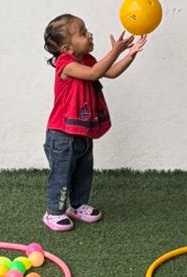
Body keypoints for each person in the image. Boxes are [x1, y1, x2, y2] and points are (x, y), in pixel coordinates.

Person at [41, 13, 146, 232]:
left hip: (82, 130)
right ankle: (54, 212)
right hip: (61, 134)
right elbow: (93, 74)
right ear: (67, 49)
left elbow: (111, 72)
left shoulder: (87, 59)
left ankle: (77, 206)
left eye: (86, 30)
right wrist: (115, 50)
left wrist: (130, 54)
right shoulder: (65, 64)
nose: (89, 34)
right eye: (82, 33)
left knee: (83, 171)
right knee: (61, 174)